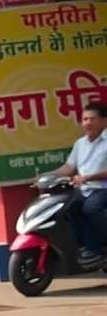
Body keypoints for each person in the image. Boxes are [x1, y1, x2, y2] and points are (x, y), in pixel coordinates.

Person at [41, 102, 107, 265]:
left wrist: (88, 177)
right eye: (85, 119)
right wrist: (47, 176)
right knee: (67, 207)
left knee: (91, 208)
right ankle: (87, 247)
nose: (88, 123)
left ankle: (100, 245)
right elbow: (69, 167)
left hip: (102, 188)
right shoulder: (80, 143)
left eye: (92, 119)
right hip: (83, 189)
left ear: (104, 121)